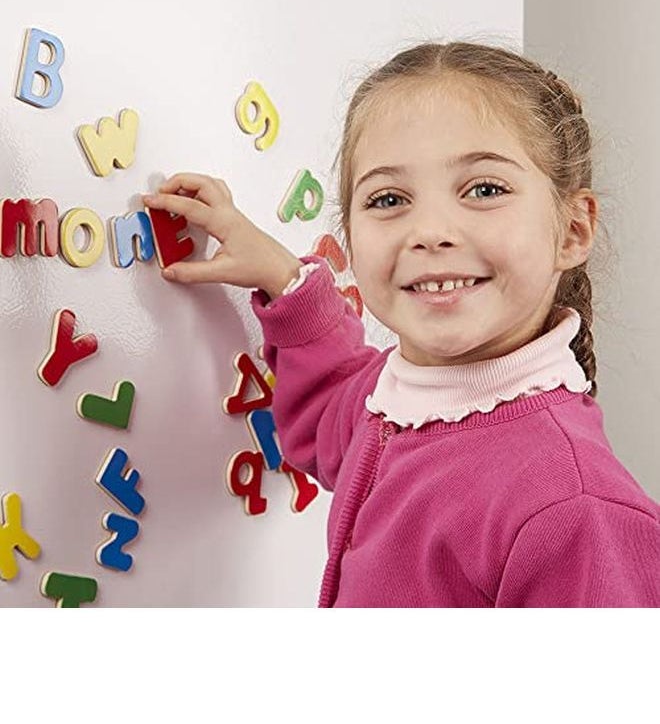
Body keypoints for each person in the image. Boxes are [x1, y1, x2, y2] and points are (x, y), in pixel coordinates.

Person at [143, 41, 660, 607]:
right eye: (389, 199)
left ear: (572, 231)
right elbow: (330, 408)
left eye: (484, 190)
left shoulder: (577, 509)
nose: (431, 230)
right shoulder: (396, 402)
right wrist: (281, 276)